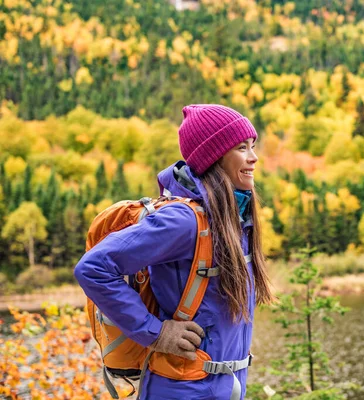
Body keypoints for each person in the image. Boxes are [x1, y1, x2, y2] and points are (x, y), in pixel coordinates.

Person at [74, 104, 274, 399]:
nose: (253, 157)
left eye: (252, 146)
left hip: (223, 388)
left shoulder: (233, 218)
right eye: (242, 148)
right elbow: (93, 268)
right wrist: (155, 333)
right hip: (182, 390)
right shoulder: (183, 221)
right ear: (213, 158)